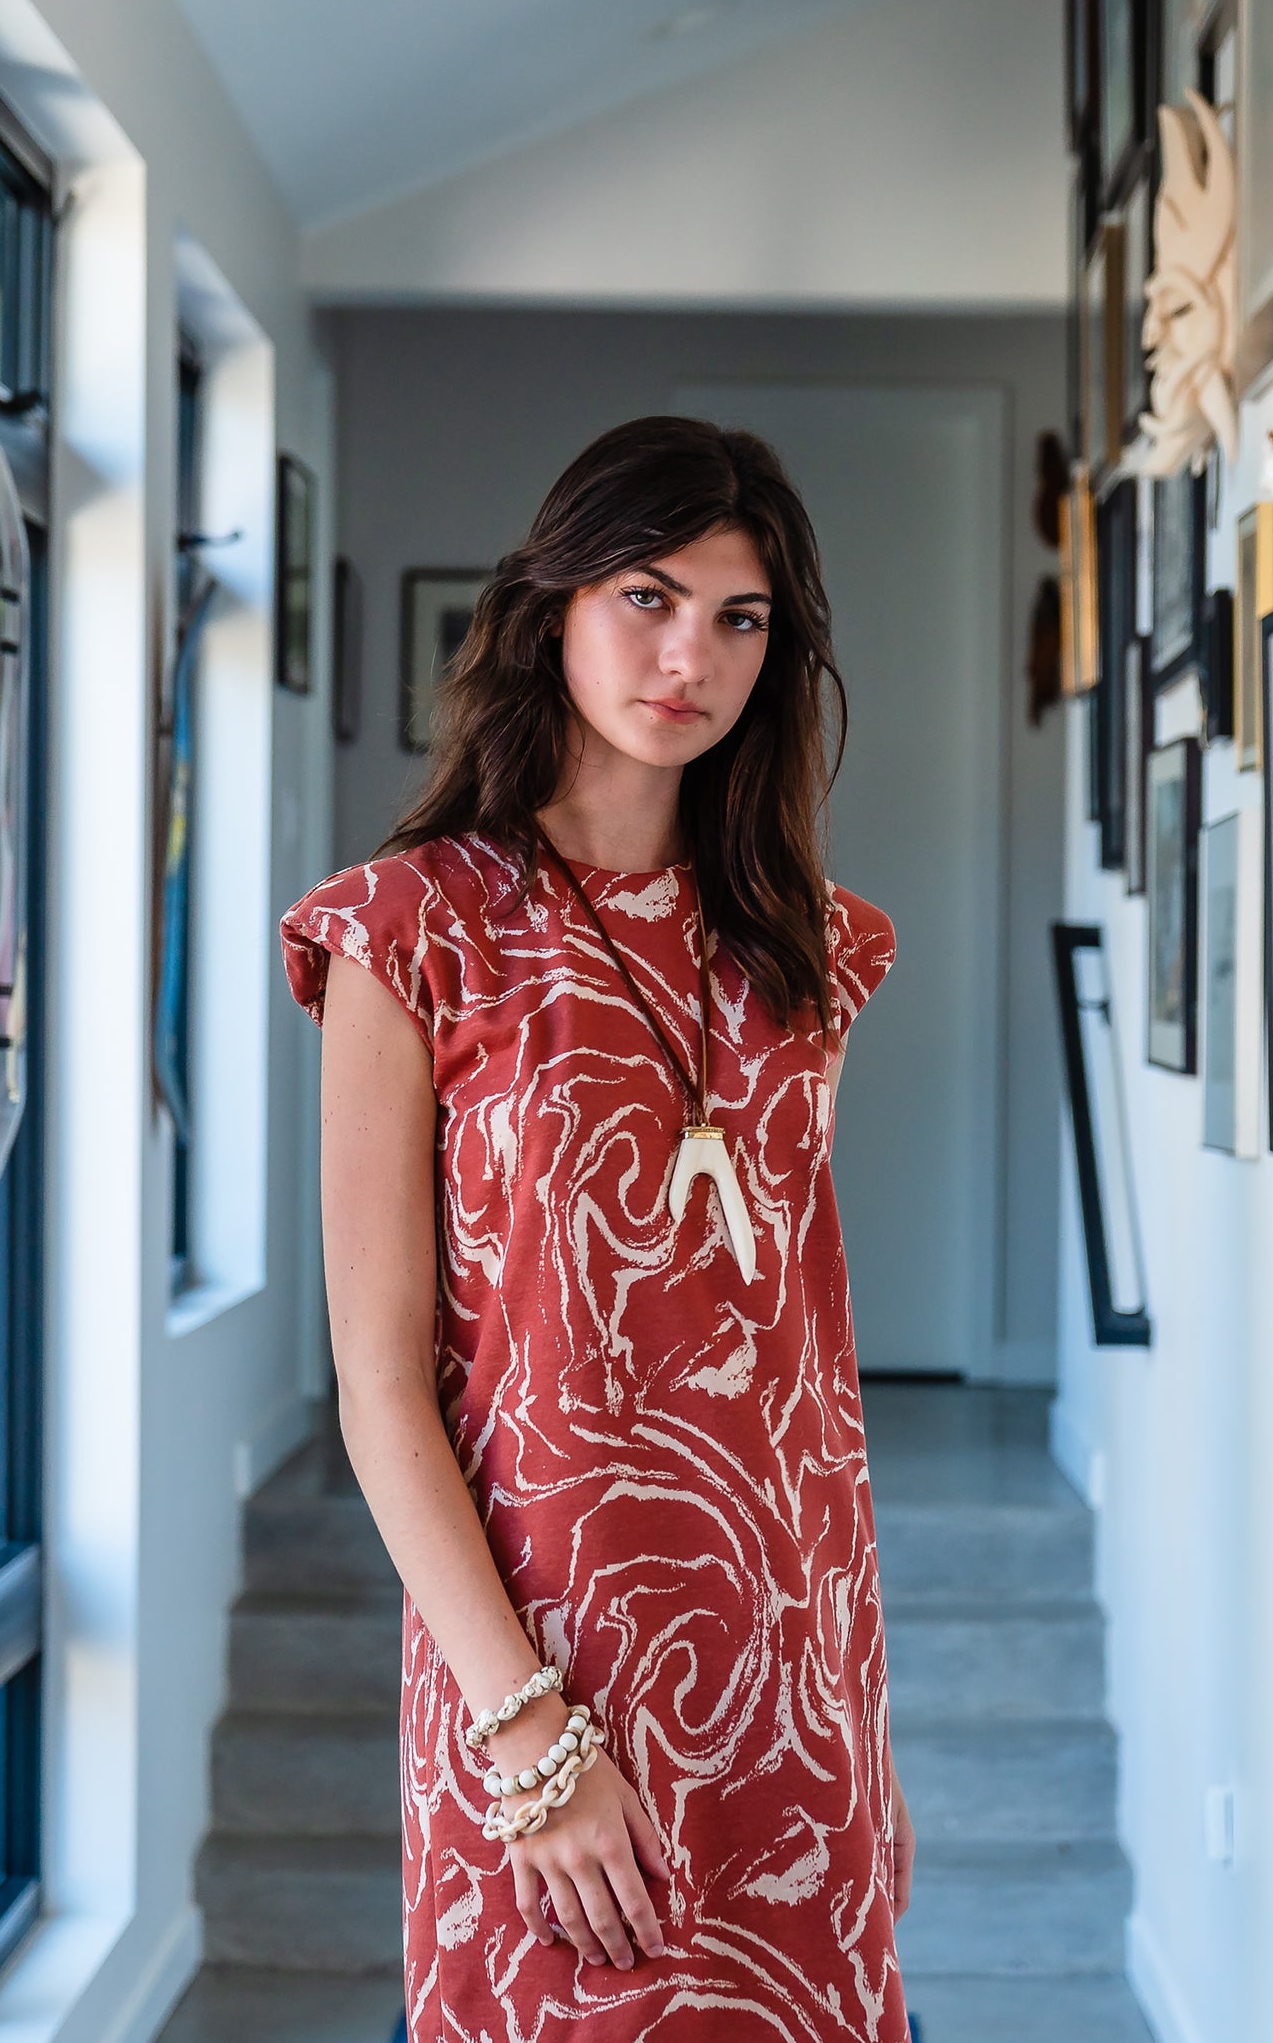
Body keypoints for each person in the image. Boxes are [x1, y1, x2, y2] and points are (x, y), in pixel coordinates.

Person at [279, 414, 914, 2042]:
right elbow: (380, 1384)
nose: (688, 656)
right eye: (646, 597)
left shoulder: (815, 953)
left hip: (792, 1682)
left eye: (738, 618)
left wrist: (853, 1725)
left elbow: (790, 1362)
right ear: (548, 605)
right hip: (541, 1677)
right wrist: (528, 1738)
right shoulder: (411, 934)